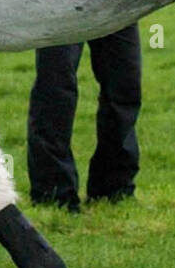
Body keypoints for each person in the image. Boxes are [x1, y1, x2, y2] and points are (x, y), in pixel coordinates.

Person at [27, 24, 142, 212]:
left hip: (119, 1)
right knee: (56, 90)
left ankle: (114, 190)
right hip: (62, 4)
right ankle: (54, 195)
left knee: (125, 88)